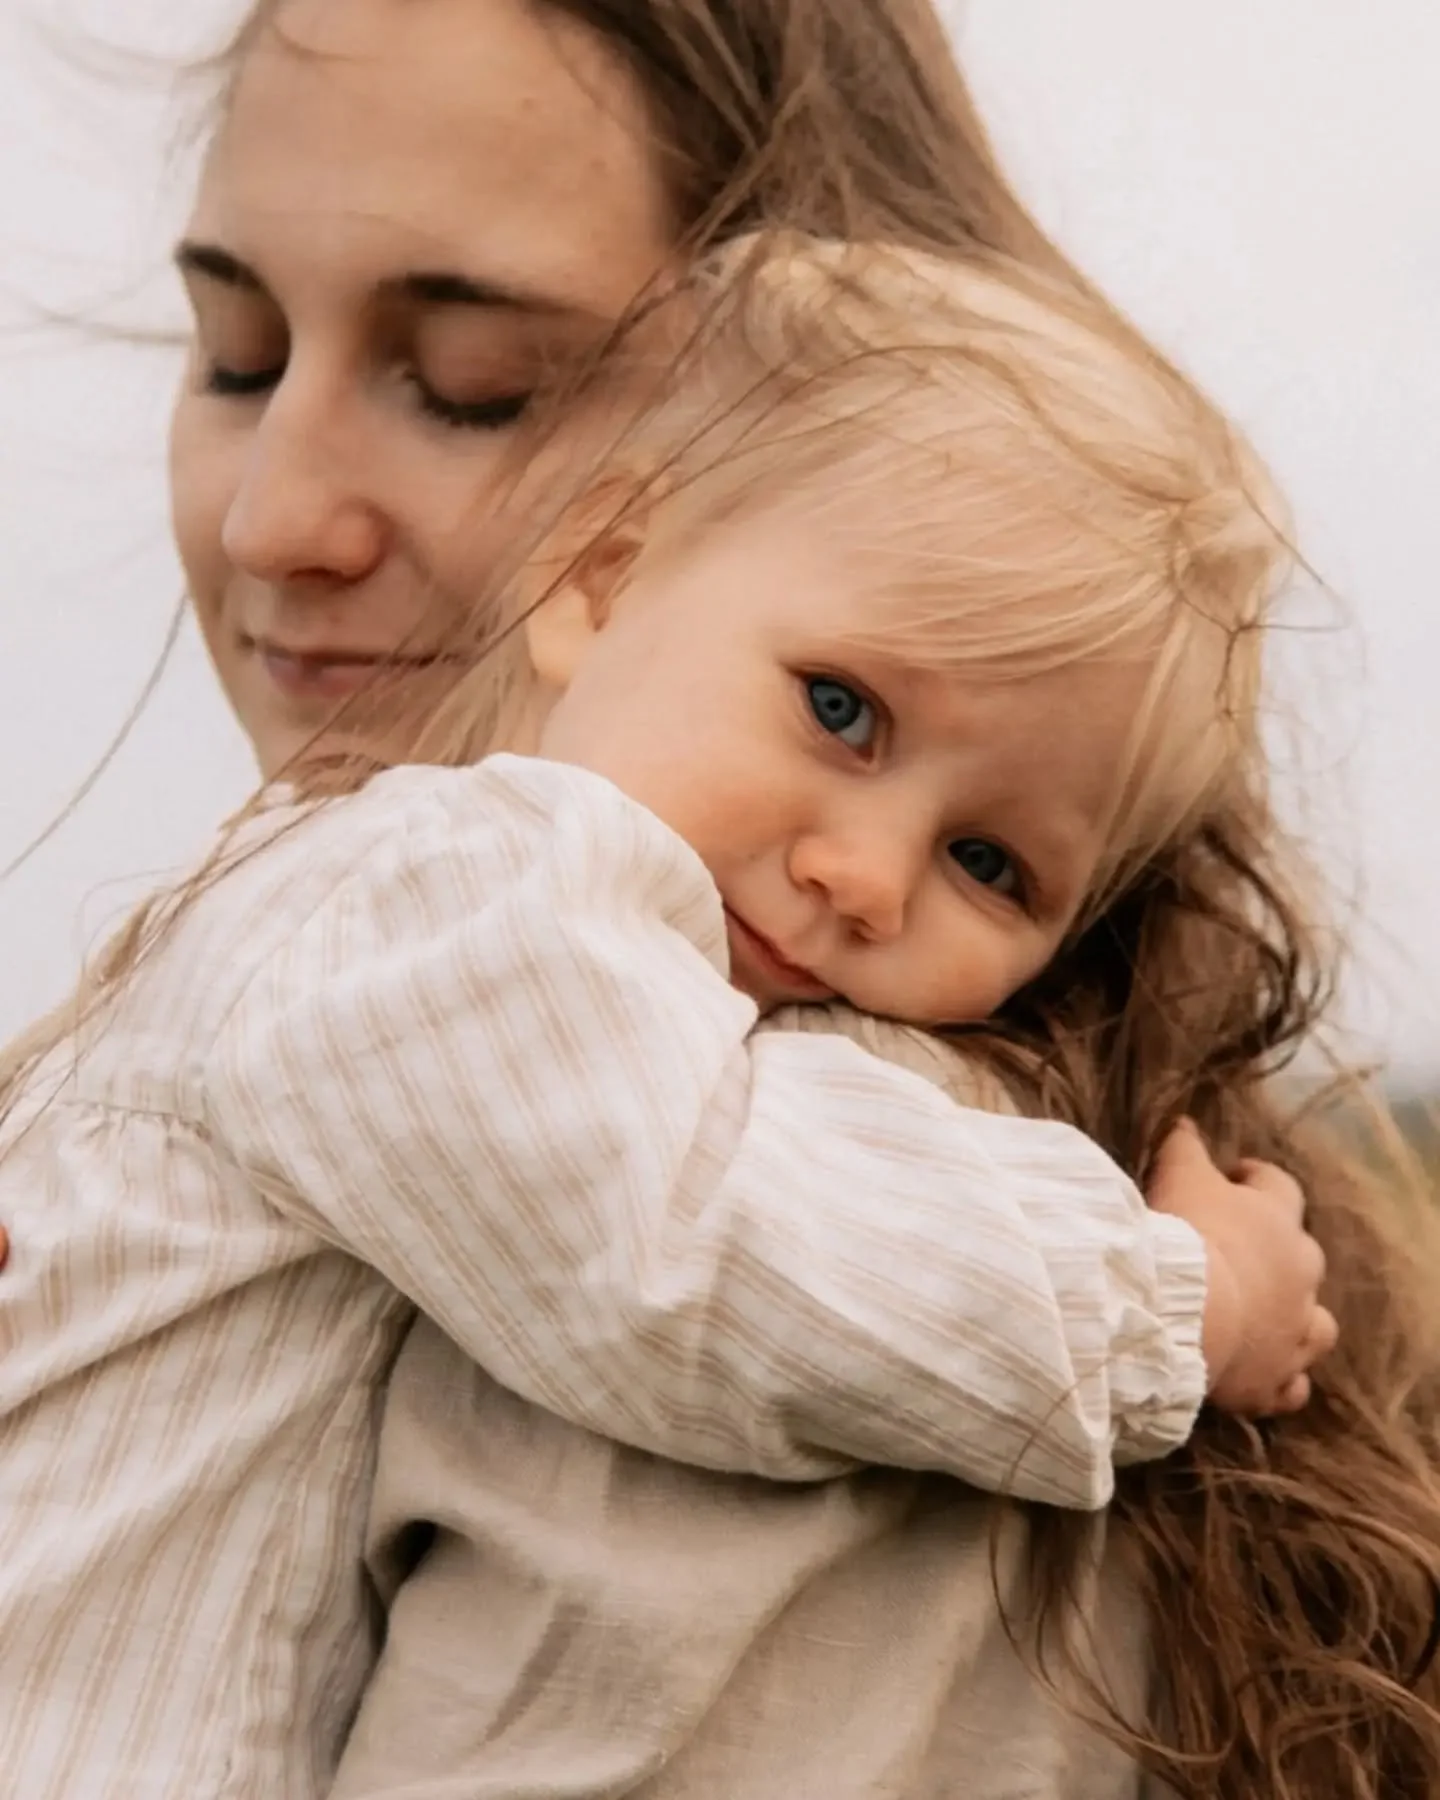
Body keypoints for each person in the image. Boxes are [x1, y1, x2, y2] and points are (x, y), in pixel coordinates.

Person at [4, 2, 1437, 1798]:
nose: (274, 520)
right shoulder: (428, 932)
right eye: (232, 352)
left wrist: (1157, 1307)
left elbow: (681, 1242)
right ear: (604, 575)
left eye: (473, 383)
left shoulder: (853, 1144)